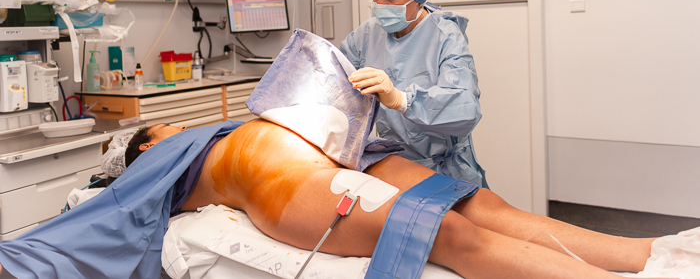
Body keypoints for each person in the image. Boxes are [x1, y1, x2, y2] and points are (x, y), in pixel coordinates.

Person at [123, 119, 662, 279]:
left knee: (483, 206)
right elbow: (112, 213)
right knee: (448, 232)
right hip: (285, 186)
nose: (181, 128)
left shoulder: (210, 132)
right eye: (168, 128)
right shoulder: (159, 167)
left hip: (348, 156)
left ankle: (649, 255)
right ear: (148, 147)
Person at [340, 0, 487, 187]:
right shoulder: (368, 34)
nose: (380, 5)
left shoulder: (445, 36)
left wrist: (401, 100)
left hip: (442, 171)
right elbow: (338, 79)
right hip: (393, 165)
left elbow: (465, 110)